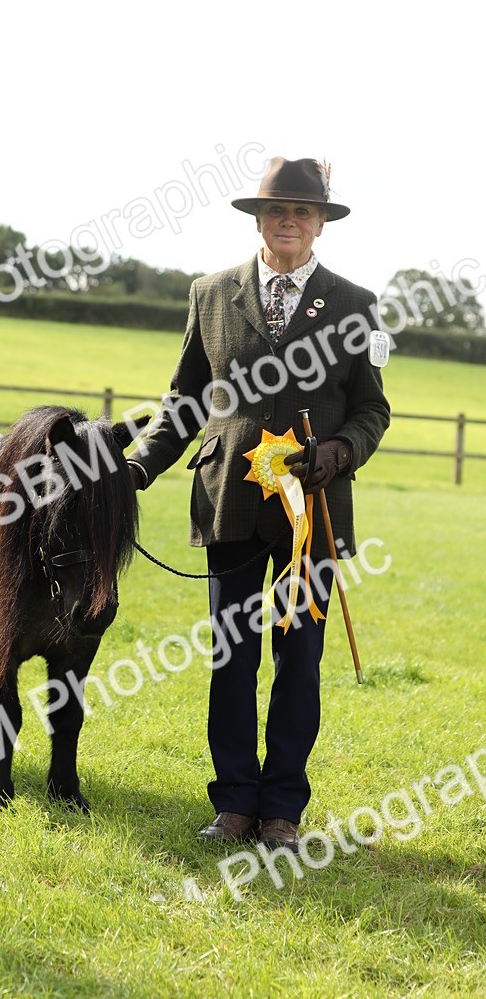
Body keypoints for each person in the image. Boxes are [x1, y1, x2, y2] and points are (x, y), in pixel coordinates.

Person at [127, 157, 390, 850]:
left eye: (304, 212)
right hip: (229, 503)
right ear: (258, 218)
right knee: (232, 657)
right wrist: (136, 467)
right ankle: (235, 804)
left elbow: (371, 409)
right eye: (278, 211)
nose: (290, 222)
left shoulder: (356, 305)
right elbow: (184, 404)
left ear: (322, 224)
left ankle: (282, 813)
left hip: (316, 510)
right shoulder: (210, 294)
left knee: (299, 659)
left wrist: (339, 452)